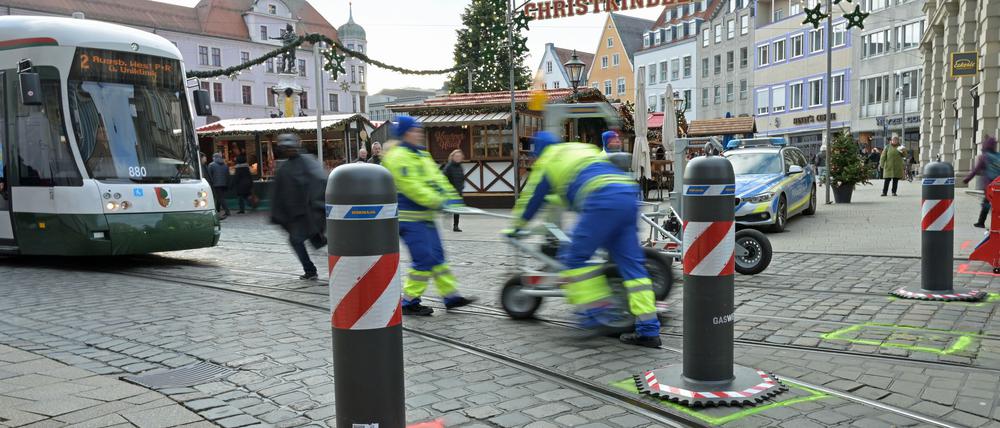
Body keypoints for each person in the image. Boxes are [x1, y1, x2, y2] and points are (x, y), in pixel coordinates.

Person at [509, 131, 661, 348]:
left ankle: (596, 314)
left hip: (602, 200)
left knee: (573, 257)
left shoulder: (548, 161)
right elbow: (581, 179)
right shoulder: (582, 149)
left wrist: (515, 228)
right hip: (627, 195)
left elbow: (532, 200)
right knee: (633, 268)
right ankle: (649, 331)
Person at [382, 116, 476, 315]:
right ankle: (408, 302)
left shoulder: (422, 155)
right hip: (408, 219)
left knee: (438, 257)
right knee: (424, 259)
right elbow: (412, 187)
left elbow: (439, 180)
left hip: (425, 217)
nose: (419, 133)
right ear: (406, 133)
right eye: (415, 130)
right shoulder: (397, 157)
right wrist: (439, 201)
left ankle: (450, 296)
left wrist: (454, 200)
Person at [270, 134, 327, 280]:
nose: (288, 150)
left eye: (290, 147)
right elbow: (280, 190)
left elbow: (319, 182)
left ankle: (311, 270)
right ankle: (310, 270)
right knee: (298, 240)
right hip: (297, 216)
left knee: (310, 239)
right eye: (285, 148)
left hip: (309, 213)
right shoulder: (284, 167)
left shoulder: (307, 162)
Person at [963, 136, 1000, 228]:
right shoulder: (998, 156)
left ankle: (981, 222)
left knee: (986, 203)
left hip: (989, 185)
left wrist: (967, 179)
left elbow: (975, 170)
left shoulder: (984, 157)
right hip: (998, 184)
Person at [443, 149, 466, 232]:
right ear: (452, 157)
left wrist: (462, 187)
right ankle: (446, 213)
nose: (458, 157)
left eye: (459, 156)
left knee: (457, 209)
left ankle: (456, 226)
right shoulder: (448, 166)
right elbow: (443, 178)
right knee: (451, 208)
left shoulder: (460, 167)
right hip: (450, 191)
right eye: (456, 156)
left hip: (458, 191)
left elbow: (463, 178)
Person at [208, 153, 231, 219]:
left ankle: (227, 211)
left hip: (216, 184)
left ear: (214, 158)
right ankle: (217, 210)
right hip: (224, 184)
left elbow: (209, 176)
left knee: (220, 198)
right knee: (219, 197)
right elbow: (228, 175)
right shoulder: (225, 165)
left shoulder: (211, 165)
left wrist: (211, 183)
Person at [233, 150, 254, 214]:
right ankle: (252, 204)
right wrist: (251, 183)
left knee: (241, 197)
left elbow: (236, 177)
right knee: (247, 195)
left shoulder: (238, 168)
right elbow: (250, 176)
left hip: (240, 185)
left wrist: (232, 184)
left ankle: (242, 209)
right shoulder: (246, 167)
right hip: (247, 184)